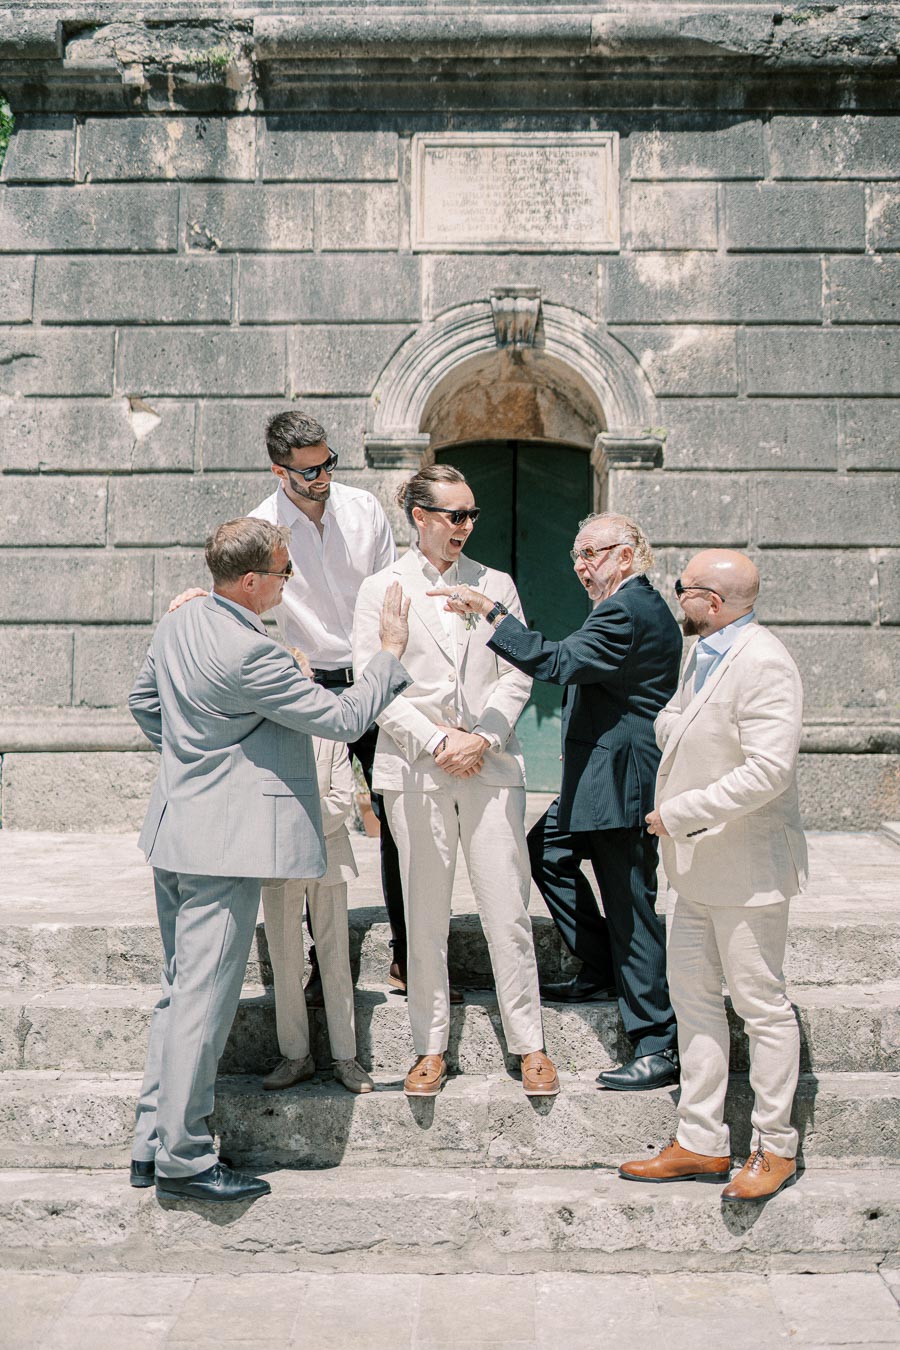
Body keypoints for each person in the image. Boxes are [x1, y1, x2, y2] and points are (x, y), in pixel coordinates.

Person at [128, 517, 410, 1203]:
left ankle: (151, 1143)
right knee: (203, 1001)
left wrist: (200, 757)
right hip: (223, 848)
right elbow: (342, 720)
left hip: (175, 832)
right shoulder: (252, 654)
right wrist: (389, 657)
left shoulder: (181, 623)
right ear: (250, 580)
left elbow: (144, 703)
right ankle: (187, 1159)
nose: (290, 580)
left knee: (179, 992)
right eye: (285, 571)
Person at [435, 512, 683, 1092]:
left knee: (632, 905)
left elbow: (558, 663)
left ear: (627, 555)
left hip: (621, 779)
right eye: (576, 555)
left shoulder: (629, 608)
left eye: (592, 552)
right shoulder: (623, 605)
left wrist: (490, 612)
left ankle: (657, 1042)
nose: (580, 565)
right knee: (546, 850)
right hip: (598, 778)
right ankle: (599, 966)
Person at [173, 408, 415, 998]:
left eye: (328, 463)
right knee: (311, 821)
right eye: (309, 471)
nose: (323, 477)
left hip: (375, 671)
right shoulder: (261, 525)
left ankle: (409, 956)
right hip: (309, 683)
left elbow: (392, 590)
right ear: (280, 471)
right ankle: (315, 964)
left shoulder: (363, 509)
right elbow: (238, 589)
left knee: (399, 816)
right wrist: (196, 600)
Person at [353, 465, 559, 1099]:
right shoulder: (379, 588)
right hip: (416, 768)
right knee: (424, 912)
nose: (467, 526)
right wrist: (439, 740)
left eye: (472, 515)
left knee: (507, 909)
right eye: (455, 515)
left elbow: (518, 671)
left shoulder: (494, 584)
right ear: (420, 517)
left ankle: (530, 1044)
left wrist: (485, 738)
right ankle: (429, 1046)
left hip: (491, 763)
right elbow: (374, 683)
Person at [619, 550, 807, 1202]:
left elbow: (768, 771)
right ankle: (700, 1140)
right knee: (694, 1004)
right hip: (698, 870)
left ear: (714, 602)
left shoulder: (764, 663)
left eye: (684, 589)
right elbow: (682, 719)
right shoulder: (703, 652)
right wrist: (673, 725)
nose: (677, 598)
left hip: (746, 869)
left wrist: (681, 813)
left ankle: (775, 1148)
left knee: (761, 1008)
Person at [261, 732, 374, 1095]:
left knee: (335, 956)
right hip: (277, 857)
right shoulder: (264, 731)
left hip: (329, 853)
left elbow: (342, 800)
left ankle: (346, 1057)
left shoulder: (330, 737)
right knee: (284, 958)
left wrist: (297, 818)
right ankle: (295, 1055)